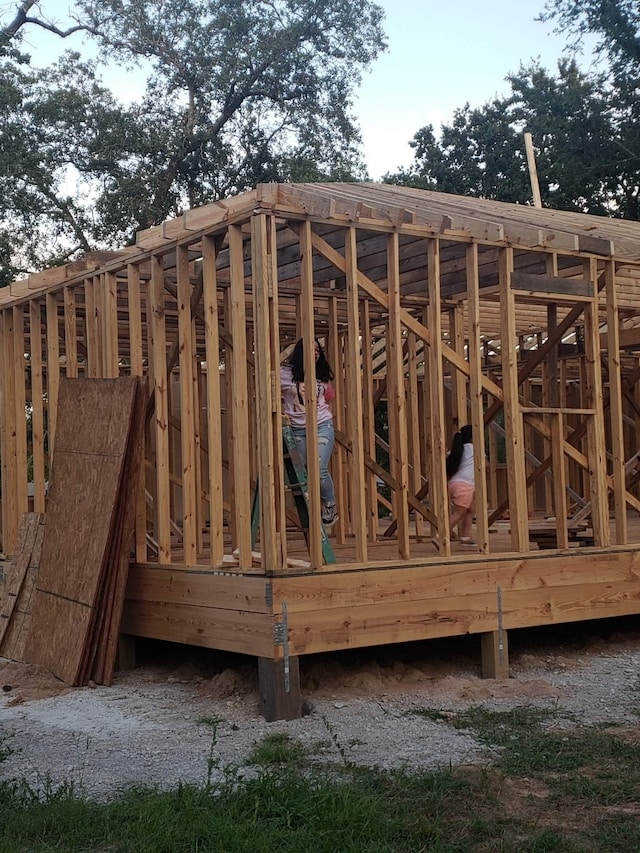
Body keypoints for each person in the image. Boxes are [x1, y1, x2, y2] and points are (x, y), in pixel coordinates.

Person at [280, 337, 338, 526]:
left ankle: (330, 505)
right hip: (297, 429)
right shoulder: (285, 373)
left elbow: (329, 397)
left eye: (317, 350)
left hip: (322, 425)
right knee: (305, 471)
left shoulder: (321, 374)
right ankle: (313, 509)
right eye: (311, 349)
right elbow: (271, 390)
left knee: (319, 469)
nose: (315, 353)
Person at [445, 424, 476, 546]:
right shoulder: (473, 449)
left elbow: (447, 457)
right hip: (465, 485)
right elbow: (485, 464)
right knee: (459, 513)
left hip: (453, 483)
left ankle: (465, 537)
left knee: (471, 509)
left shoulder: (457, 449)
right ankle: (440, 536)